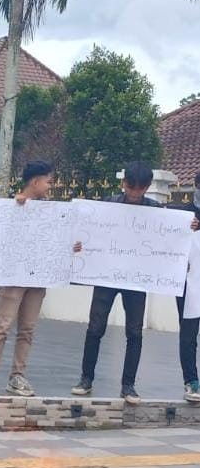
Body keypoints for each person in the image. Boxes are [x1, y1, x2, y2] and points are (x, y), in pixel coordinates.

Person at [71, 162, 180, 405]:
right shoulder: (107, 205)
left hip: (136, 280)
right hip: (106, 275)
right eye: (131, 187)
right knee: (95, 327)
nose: (134, 193)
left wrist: (189, 227)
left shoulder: (155, 210)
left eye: (140, 189)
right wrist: (78, 244)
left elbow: (172, 235)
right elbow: (84, 232)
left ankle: (128, 385)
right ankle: (86, 378)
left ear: (147, 187)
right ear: (124, 184)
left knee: (134, 331)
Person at [0, 160, 55, 397]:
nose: (50, 187)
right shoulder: (11, 207)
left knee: (28, 329)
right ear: (35, 181)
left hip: (37, 277)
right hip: (13, 276)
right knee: (3, 325)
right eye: (48, 181)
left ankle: (17, 376)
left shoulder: (51, 211)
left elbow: (55, 241)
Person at [169, 172, 200, 404]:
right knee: (188, 334)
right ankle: (191, 381)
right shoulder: (184, 214)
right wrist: (185, 229)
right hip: (189, 284)